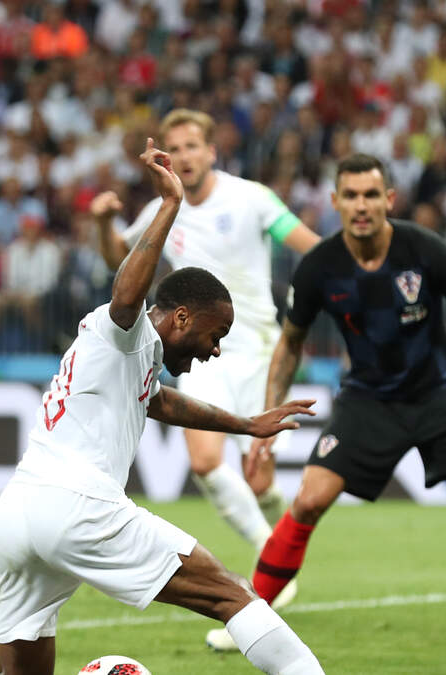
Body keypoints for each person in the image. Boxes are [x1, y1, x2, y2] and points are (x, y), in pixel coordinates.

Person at [0, 139, 324, 675]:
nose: (215, 350)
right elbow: (126, 294)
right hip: (78, 505)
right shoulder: (124, 331)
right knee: (232, 594)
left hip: (17, 514)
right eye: (216, 335)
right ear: (182, 317)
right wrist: (171, 204)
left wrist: (245, 425)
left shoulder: (133, 359)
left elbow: (161, 401)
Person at [207, 154, 446, 659]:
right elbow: (290, 344)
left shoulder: (426, 249)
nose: (361, 205)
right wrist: (269, 419)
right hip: (367, 399)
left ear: (389, 199)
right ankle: (249, 616)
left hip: (438, 392)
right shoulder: (320, 266)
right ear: (335, 202)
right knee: (309, 499)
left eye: (371, 195)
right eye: (351, 196)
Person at [95, 109, 321, 603]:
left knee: (257, 479)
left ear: (211, 151)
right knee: (204, 461)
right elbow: (118, 258)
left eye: (192, 146)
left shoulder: (251, 198)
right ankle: (270, 556)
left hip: (260, 353)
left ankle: (275, 528)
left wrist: (330, 288)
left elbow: (312, 247)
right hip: (203, 354)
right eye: (174, 148)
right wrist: (103, 220)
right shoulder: (164, 207)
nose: (184, 156)